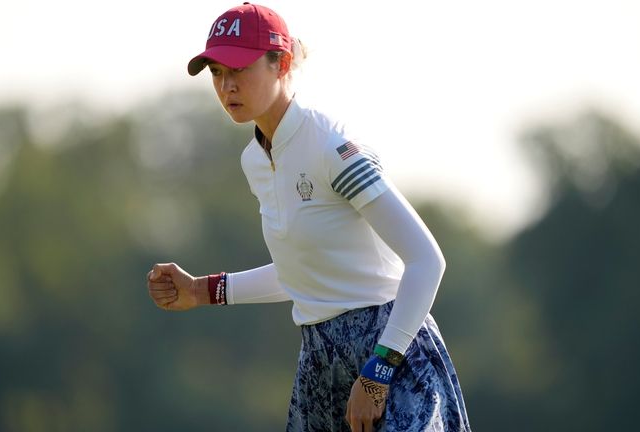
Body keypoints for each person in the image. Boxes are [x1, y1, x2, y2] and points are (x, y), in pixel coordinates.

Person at [147, 3, 472, 431]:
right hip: (319, 359)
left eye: (239, 69)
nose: (227, 86)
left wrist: (378, 373)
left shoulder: (331, 147)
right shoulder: (255, 160)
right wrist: (201, 291)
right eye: (216, 73)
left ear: (280, 64)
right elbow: (300, 273)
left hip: (392, 352)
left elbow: (427, 260)